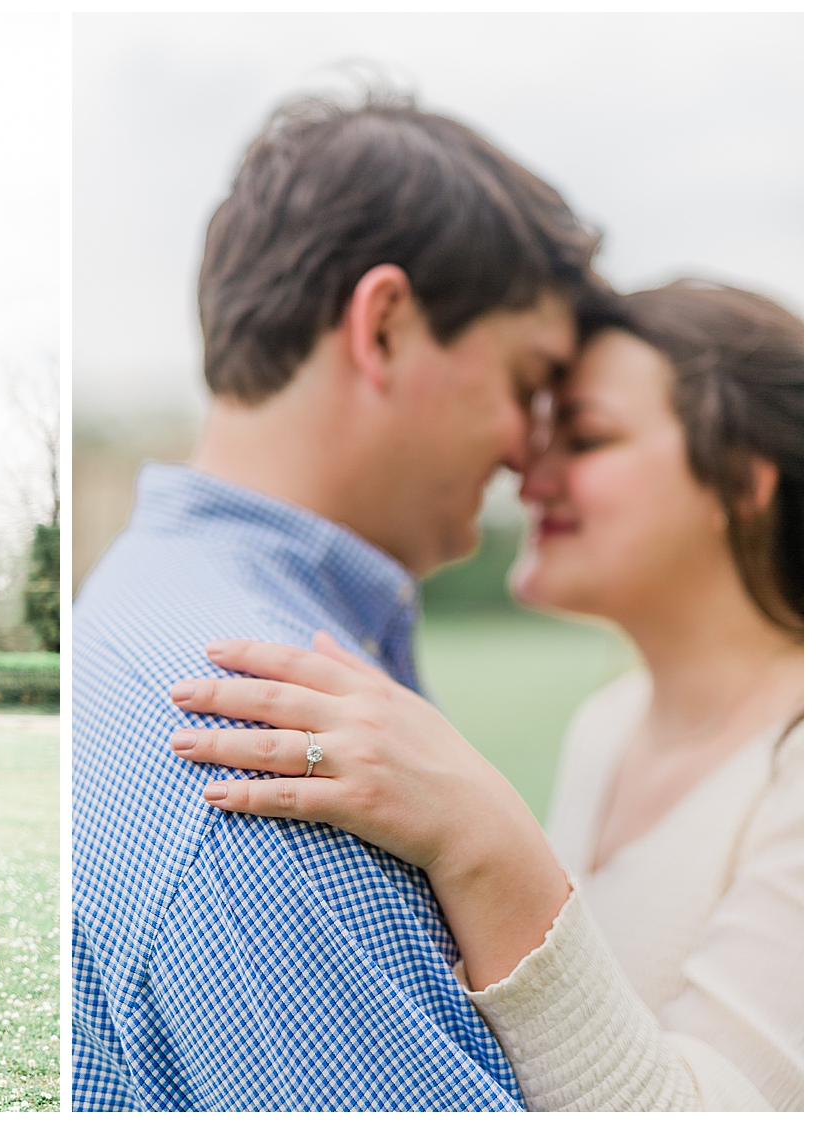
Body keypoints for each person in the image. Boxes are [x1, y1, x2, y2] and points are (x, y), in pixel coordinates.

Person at [71, 92, 603, 1111]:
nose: (529, 447)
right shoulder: (272, 744)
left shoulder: (152, 607)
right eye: (527, 381)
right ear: (387, 327)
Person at [172, 281, 802, 1110]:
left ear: (742, 483)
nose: (527, 476)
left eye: (582, 438)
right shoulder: (607, 725)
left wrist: (485, 839)